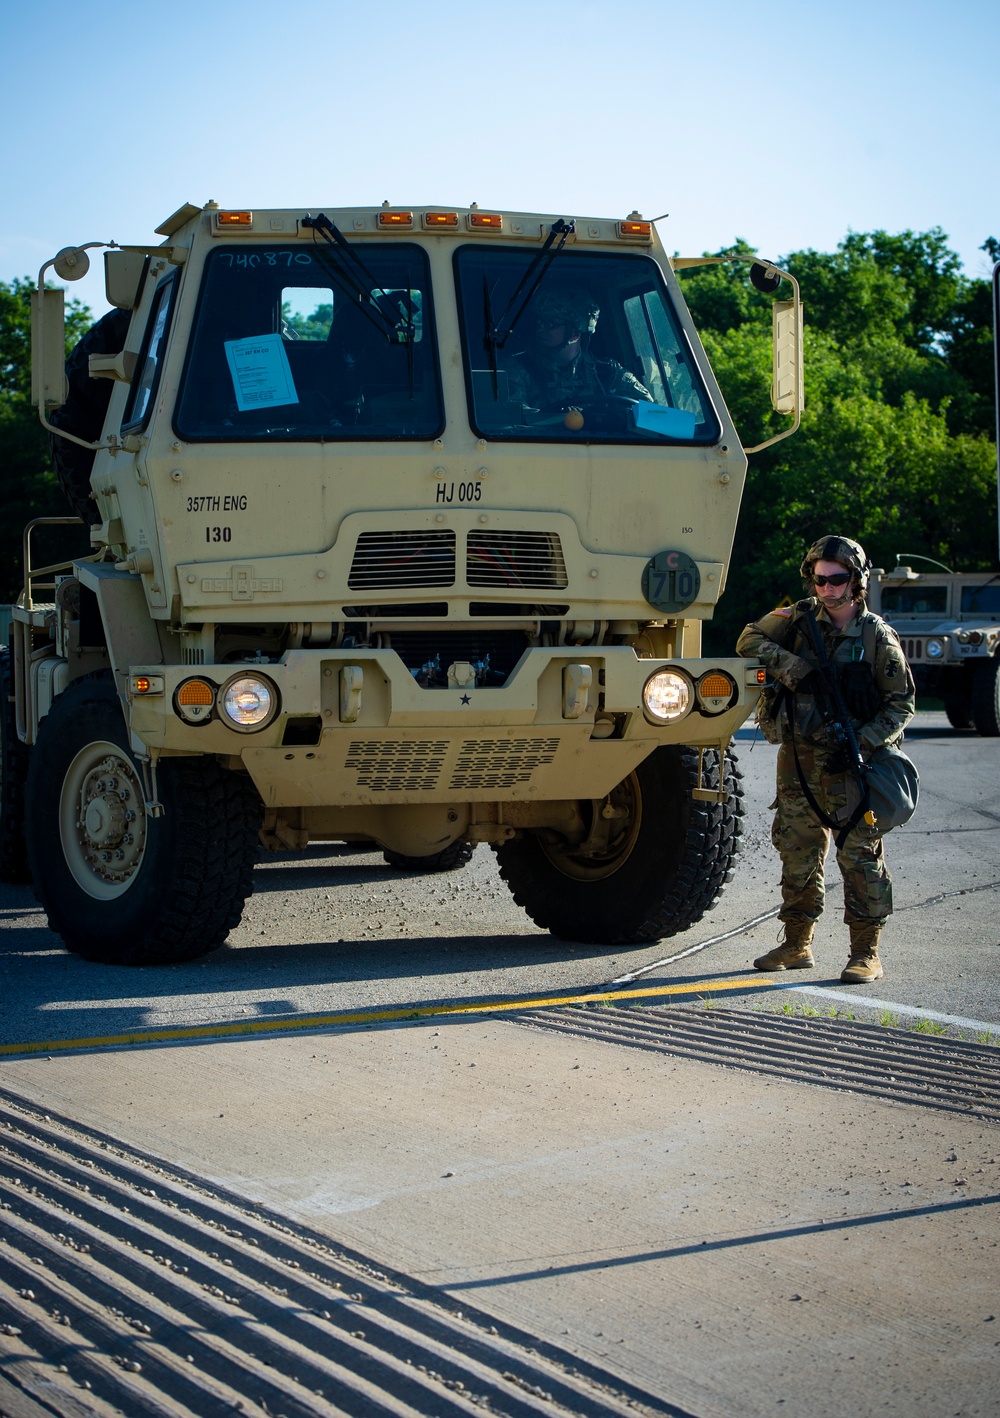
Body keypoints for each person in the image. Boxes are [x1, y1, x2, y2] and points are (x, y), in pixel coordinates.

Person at [736, 535, 915, 983]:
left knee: (859, 855)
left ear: (855, 581)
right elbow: (748, 639)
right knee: (797, 849)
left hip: (851, 761)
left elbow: (901, 704)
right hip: (798, 757)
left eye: (837, 580)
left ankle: (866, 952)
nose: (827, 588)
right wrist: (795, 669)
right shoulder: (795, 619)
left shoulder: (875, 635)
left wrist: (864, 742)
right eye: (820, 579)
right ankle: (797, 943)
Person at [504, 285, 652, 426]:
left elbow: (652, 414)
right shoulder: (518, 369)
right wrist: (563, 419)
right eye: (539, 321)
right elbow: (510, 416)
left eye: (550, 324)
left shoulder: (607, 372)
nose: (540, 328)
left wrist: (607, 418)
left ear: (574, 333)